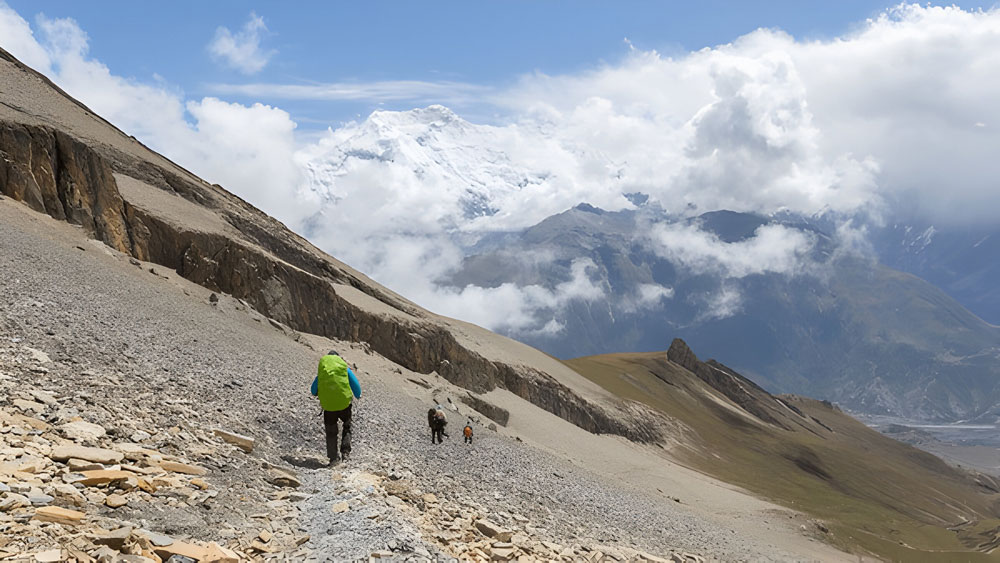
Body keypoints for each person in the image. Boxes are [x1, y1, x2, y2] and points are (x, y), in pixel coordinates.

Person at [310, 351, 361, 465]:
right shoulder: (344, 368)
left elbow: (313, 390)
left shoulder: (324, 372)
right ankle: (345, 453)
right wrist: (358, 395)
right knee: (347, 427)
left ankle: (333, 458)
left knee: (331, 431)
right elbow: (356, 385)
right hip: (344, 404)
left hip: (328, 407)